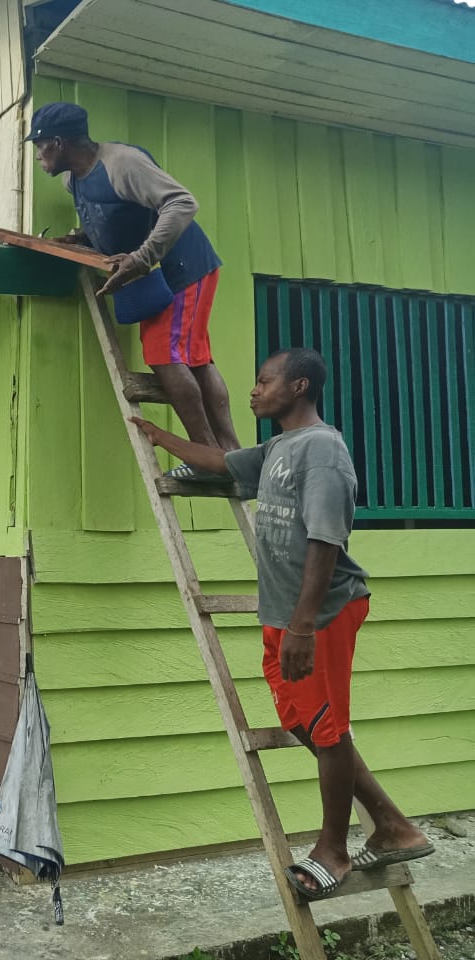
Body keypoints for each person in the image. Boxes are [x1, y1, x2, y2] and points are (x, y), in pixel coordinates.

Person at [130, 349, 432, 900]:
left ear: (298, 387)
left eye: (264, 381)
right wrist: (159, 436)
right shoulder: (277, 448)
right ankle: (392, 825)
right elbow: (223, 463)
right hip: (284, 614)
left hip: (321, 612)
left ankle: (334, 851)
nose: (253, 390)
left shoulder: (323, 450)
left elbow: (325, 539)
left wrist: (301, 626)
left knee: (328, 728)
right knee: (299, 720)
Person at [29, 101, 240, 476]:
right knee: (194, 357)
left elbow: (182, 203)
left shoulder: (122, 164)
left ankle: (207, 458)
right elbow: (115, 217)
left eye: (39, 146)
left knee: (164, 355)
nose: (38, 155)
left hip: (182, 267)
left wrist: (141, 259)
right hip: (158, 275)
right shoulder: (72, 179)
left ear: (58, 142)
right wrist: (81, 238)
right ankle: (229, 455)